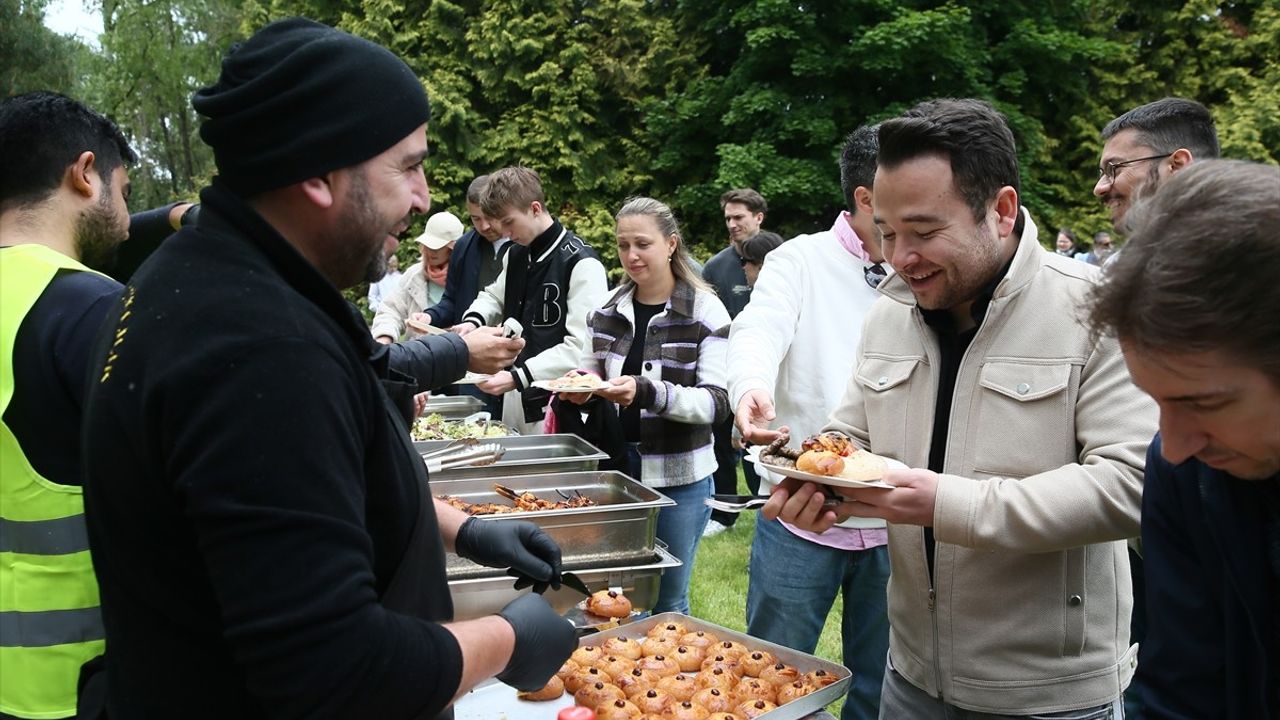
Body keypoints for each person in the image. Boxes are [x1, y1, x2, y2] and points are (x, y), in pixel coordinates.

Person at [79, 18, 575, 718]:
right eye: (407, 166)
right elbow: (335, 670)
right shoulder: (258, 348)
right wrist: (507, 638)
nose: (425, 196)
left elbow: (277, 500)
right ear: (316, 172)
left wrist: (460, 528)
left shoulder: (204, 280)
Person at [765, 98, 1157, 717]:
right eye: (888, 234)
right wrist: (817, 482)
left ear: (1000, 211)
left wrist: (945, 504)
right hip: (910, 676)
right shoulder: (889, 311)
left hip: (1047, 695)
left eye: (924, 232)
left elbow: (1132, 485)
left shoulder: (1098, 310)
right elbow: (851, 435)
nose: (900, 257)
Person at [1087, 159, 1280, 719]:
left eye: (1203, 404)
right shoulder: (1183, 473)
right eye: (1158, 401)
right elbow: (1180, 691)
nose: (1172, 445)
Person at [730, 124, 891, 720]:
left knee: (885, 681)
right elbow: (758, 328)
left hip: (896, 513)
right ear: (867, 196)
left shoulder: (923, 266)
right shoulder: (800, 259)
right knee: (775, 677)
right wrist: (748, 388)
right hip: (799, 510)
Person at [0, 90, 132, 720]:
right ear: (85, 175)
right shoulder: (92, 309)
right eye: (125, 193)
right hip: (79, 678)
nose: (130, 219)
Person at [1092, 95, 1219, 718]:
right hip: (1150, 519)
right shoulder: (1115, 276)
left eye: (1116, 169)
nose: (1100, 187)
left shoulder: (1247, 264)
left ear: (1177, 165)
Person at [558, 197, 730, 614]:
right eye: (622, 245)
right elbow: (588, 374)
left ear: (671, 244)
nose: (631, 256)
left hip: (680, 476)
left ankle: (673, 675)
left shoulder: (705, 310)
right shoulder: (607, 310)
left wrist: (646, 391)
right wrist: (581, 390)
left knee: (667, 598)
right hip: (615, 472)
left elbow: (717, 403)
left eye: (642, 244)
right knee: (610, 595)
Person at [457, 166, 609, 434]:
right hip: (513, 396)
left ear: (535, 208)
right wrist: (472, 322)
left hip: (560, 406)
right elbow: (493, 295)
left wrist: (518, 377)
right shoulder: (515, 254)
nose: (503, 232)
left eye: (508, 222)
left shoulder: (582, 263)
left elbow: (581, 347)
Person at [703, 188, 767, 535]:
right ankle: (724, 514)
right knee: (721, 441)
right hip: (724, 367)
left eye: (739, 217)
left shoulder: (784, 257)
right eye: (728, 218)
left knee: (759, 441)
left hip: (767, 368)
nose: (732, 224)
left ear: (759, 217)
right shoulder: (716, 266)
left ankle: (766, 508)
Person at [422, 175, 511, 414]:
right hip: (472, 362)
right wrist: (429, 317)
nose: (483, 227)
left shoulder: (522, 244)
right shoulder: (463, 246)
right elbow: (451, 300)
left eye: (488, 218)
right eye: (475, 219)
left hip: (513, 360)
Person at [1093, 97, 1219, 236]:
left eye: (1113, 168)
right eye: (1102, 173)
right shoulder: (1133, 256)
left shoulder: (1238, 254)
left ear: (1178, 166)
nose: (1098, 188)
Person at [371, 210, 462, 342]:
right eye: (427, 245)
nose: (431, 252)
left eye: (436, 248)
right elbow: (391, 311)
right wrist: (384, 337)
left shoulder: (467, 275)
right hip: (417, 356)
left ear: (452, 248)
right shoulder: (413, 275)